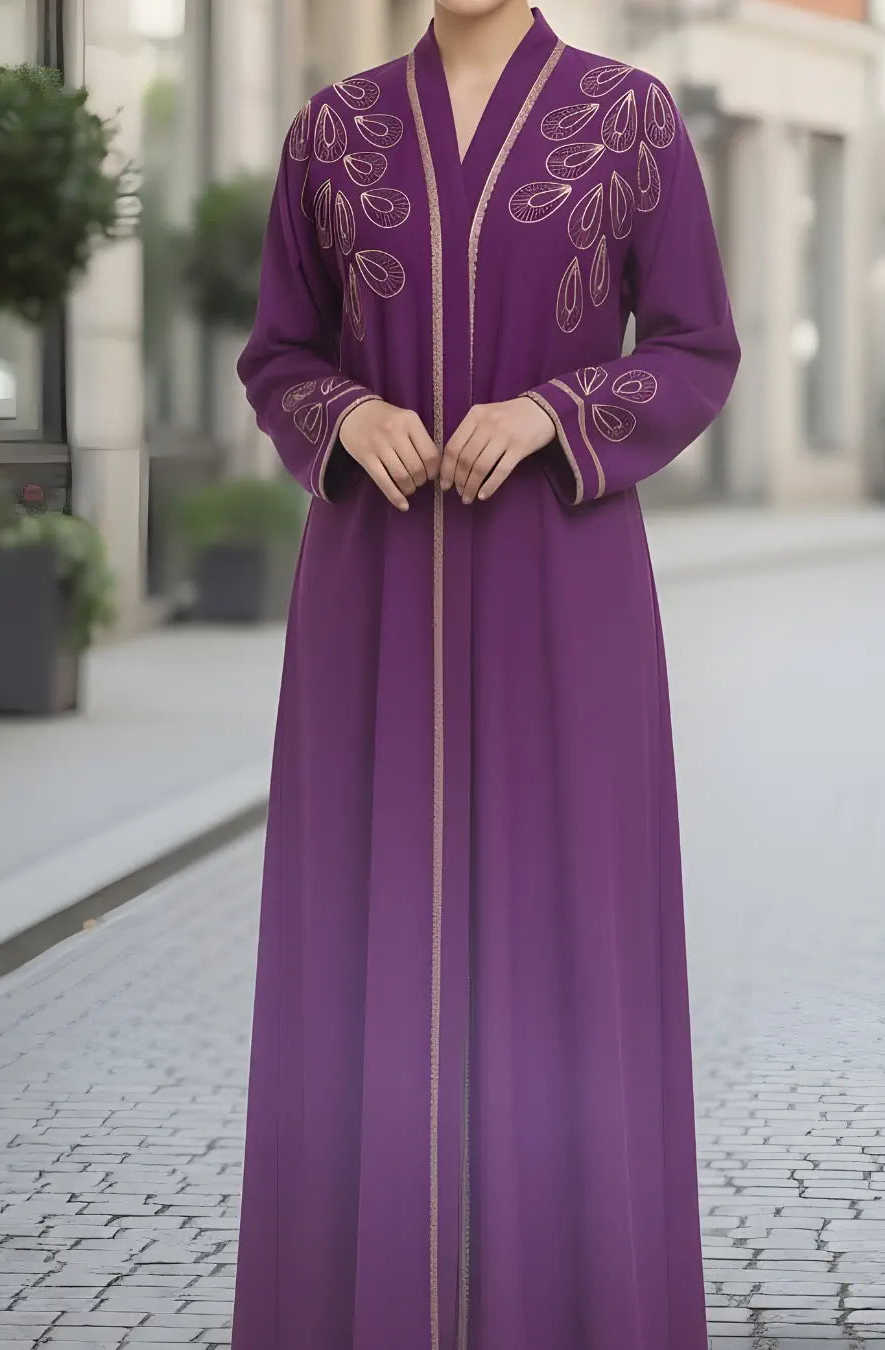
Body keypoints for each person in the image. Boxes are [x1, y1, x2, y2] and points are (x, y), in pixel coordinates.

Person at [230, 2, 740, 1347]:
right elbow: (278, 351)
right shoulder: (332, 133)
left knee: (566, 939)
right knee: (367, 943)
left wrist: (555, 411)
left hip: (563, 594)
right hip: (372, 600)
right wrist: (348, 415)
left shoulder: (627, 120)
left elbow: (696, 344)